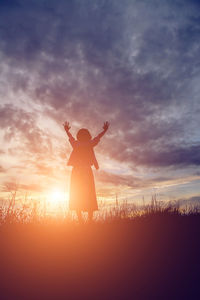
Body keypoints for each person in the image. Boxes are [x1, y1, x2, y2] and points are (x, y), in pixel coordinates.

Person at [64, 121, 109, 223]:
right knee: (88, 193)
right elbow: (98, 137)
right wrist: (104, 130)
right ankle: (89, 220)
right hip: (86, 171)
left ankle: (81, 220)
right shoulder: (89, 144)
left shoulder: (77, 144)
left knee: (78, 193)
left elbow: (71, 138)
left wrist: (66, 130)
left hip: (77, 171)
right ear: (88, 136)